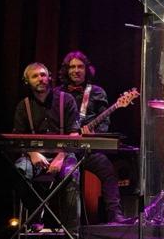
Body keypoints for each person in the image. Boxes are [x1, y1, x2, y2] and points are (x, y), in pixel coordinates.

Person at [56, 50, 130, 224]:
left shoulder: (97, 92)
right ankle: (65, 221)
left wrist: (95, 133)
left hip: (86, 149)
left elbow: (105, 123)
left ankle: (115, 214)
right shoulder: (57, 94)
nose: (76, 70)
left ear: (87, 69)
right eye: (72, 67)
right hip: (63, 150)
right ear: (66, 70)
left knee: (107, 169)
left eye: (80, 66)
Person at [13, 62, 81, 234]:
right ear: (27, 81)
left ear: (49, 77)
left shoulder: (66, 100)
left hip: (63, 154)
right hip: (33, 156)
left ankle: (72, 232)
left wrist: (60, 157)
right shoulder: (23, 105)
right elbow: (18, 138)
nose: (41, 79)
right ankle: (36, 217)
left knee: (72, 174)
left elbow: (74, 135)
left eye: (43, 75)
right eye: (35, 76)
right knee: (19, 171)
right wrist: (33, 153)